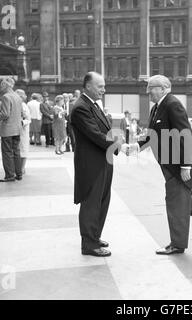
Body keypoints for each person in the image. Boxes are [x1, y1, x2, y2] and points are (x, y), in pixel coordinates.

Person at [128, 75, 192, 255]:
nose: (147, 91)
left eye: (151, 87)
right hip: (169, 165)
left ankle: (177, 244)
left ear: (164, 88)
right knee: (182, 200)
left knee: (175, 203)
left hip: (177, 166)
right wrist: (137, 146)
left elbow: (185, 135)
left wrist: (185, 166)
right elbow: (153, 134)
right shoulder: (157, 108)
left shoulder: (172, 104)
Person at [70, 71, 121, 257]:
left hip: (103, 160)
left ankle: (95, 236)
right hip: (91, 164)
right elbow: (95, 135)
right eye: (100, 86)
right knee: (91, 203)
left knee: (102, 201)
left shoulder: (93, 105)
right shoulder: (81, 107)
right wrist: (119, 145)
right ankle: (89, 244)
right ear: (88, 86)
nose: (104, 90)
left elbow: (105, 130)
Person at [0, 77, 23, 182]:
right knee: (16, 151)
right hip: (17, 129)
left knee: (7, 152)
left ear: (5, 85)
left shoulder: (5, 97)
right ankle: (19, 174)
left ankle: (9, 175)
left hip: (8, 129)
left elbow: (5, 114)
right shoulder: (18, 96)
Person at [16, 89, 31, 175]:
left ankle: (22, 168)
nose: (25, 96)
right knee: (18, 150)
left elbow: (28, 119)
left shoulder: (24, 105)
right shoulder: (18, 104)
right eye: (24, 95)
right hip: (17, 130)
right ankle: (19, 168)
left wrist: (22, 122)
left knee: (24, 149)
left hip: (23, 129)